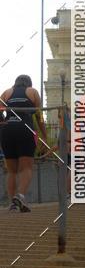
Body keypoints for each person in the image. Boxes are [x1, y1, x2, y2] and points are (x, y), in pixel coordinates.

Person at [0, 74, 49, 212]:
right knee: (26, 168)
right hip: (25, 128)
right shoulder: (32, 92)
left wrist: (3, 125)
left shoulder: (6, 93)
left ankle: (13, 204)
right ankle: (20, 196)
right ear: (29, 83)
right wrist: (44, 136)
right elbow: (39, 116)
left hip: (7, 130)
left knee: (11, 171)